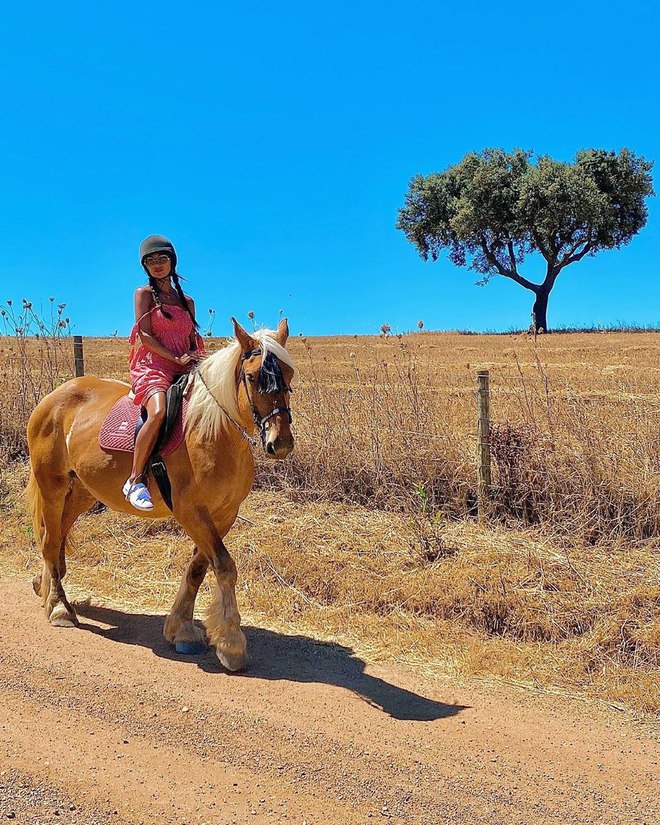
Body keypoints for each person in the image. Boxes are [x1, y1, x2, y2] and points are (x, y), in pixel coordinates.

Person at [123, 235, 205, 510]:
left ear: (172, 261)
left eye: (162, 259)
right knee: (158, 411)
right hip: (153, 366)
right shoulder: (143, 295)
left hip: (185, 366)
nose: (157, 265)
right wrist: (175, 357)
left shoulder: (187, 301)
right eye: (151, 260)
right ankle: (136, 479)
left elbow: (192, 338)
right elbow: (145, 336)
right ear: (145, 266)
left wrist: (195, 357)